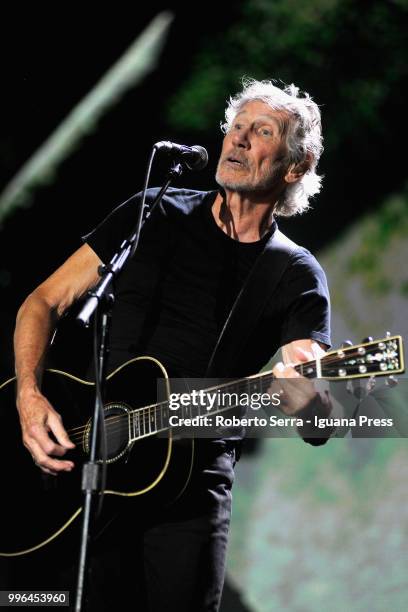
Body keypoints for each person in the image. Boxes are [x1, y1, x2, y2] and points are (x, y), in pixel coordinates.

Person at [13, 77, 332, 611]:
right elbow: (43, 302)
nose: (237, 140)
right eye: (235, 127)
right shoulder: (152, 212)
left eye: (261, 131)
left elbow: (319, 417)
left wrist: (310, 396)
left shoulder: (295, 273)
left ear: (296, 165)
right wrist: (28, 395)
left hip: (189, 488)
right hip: (85, 462)